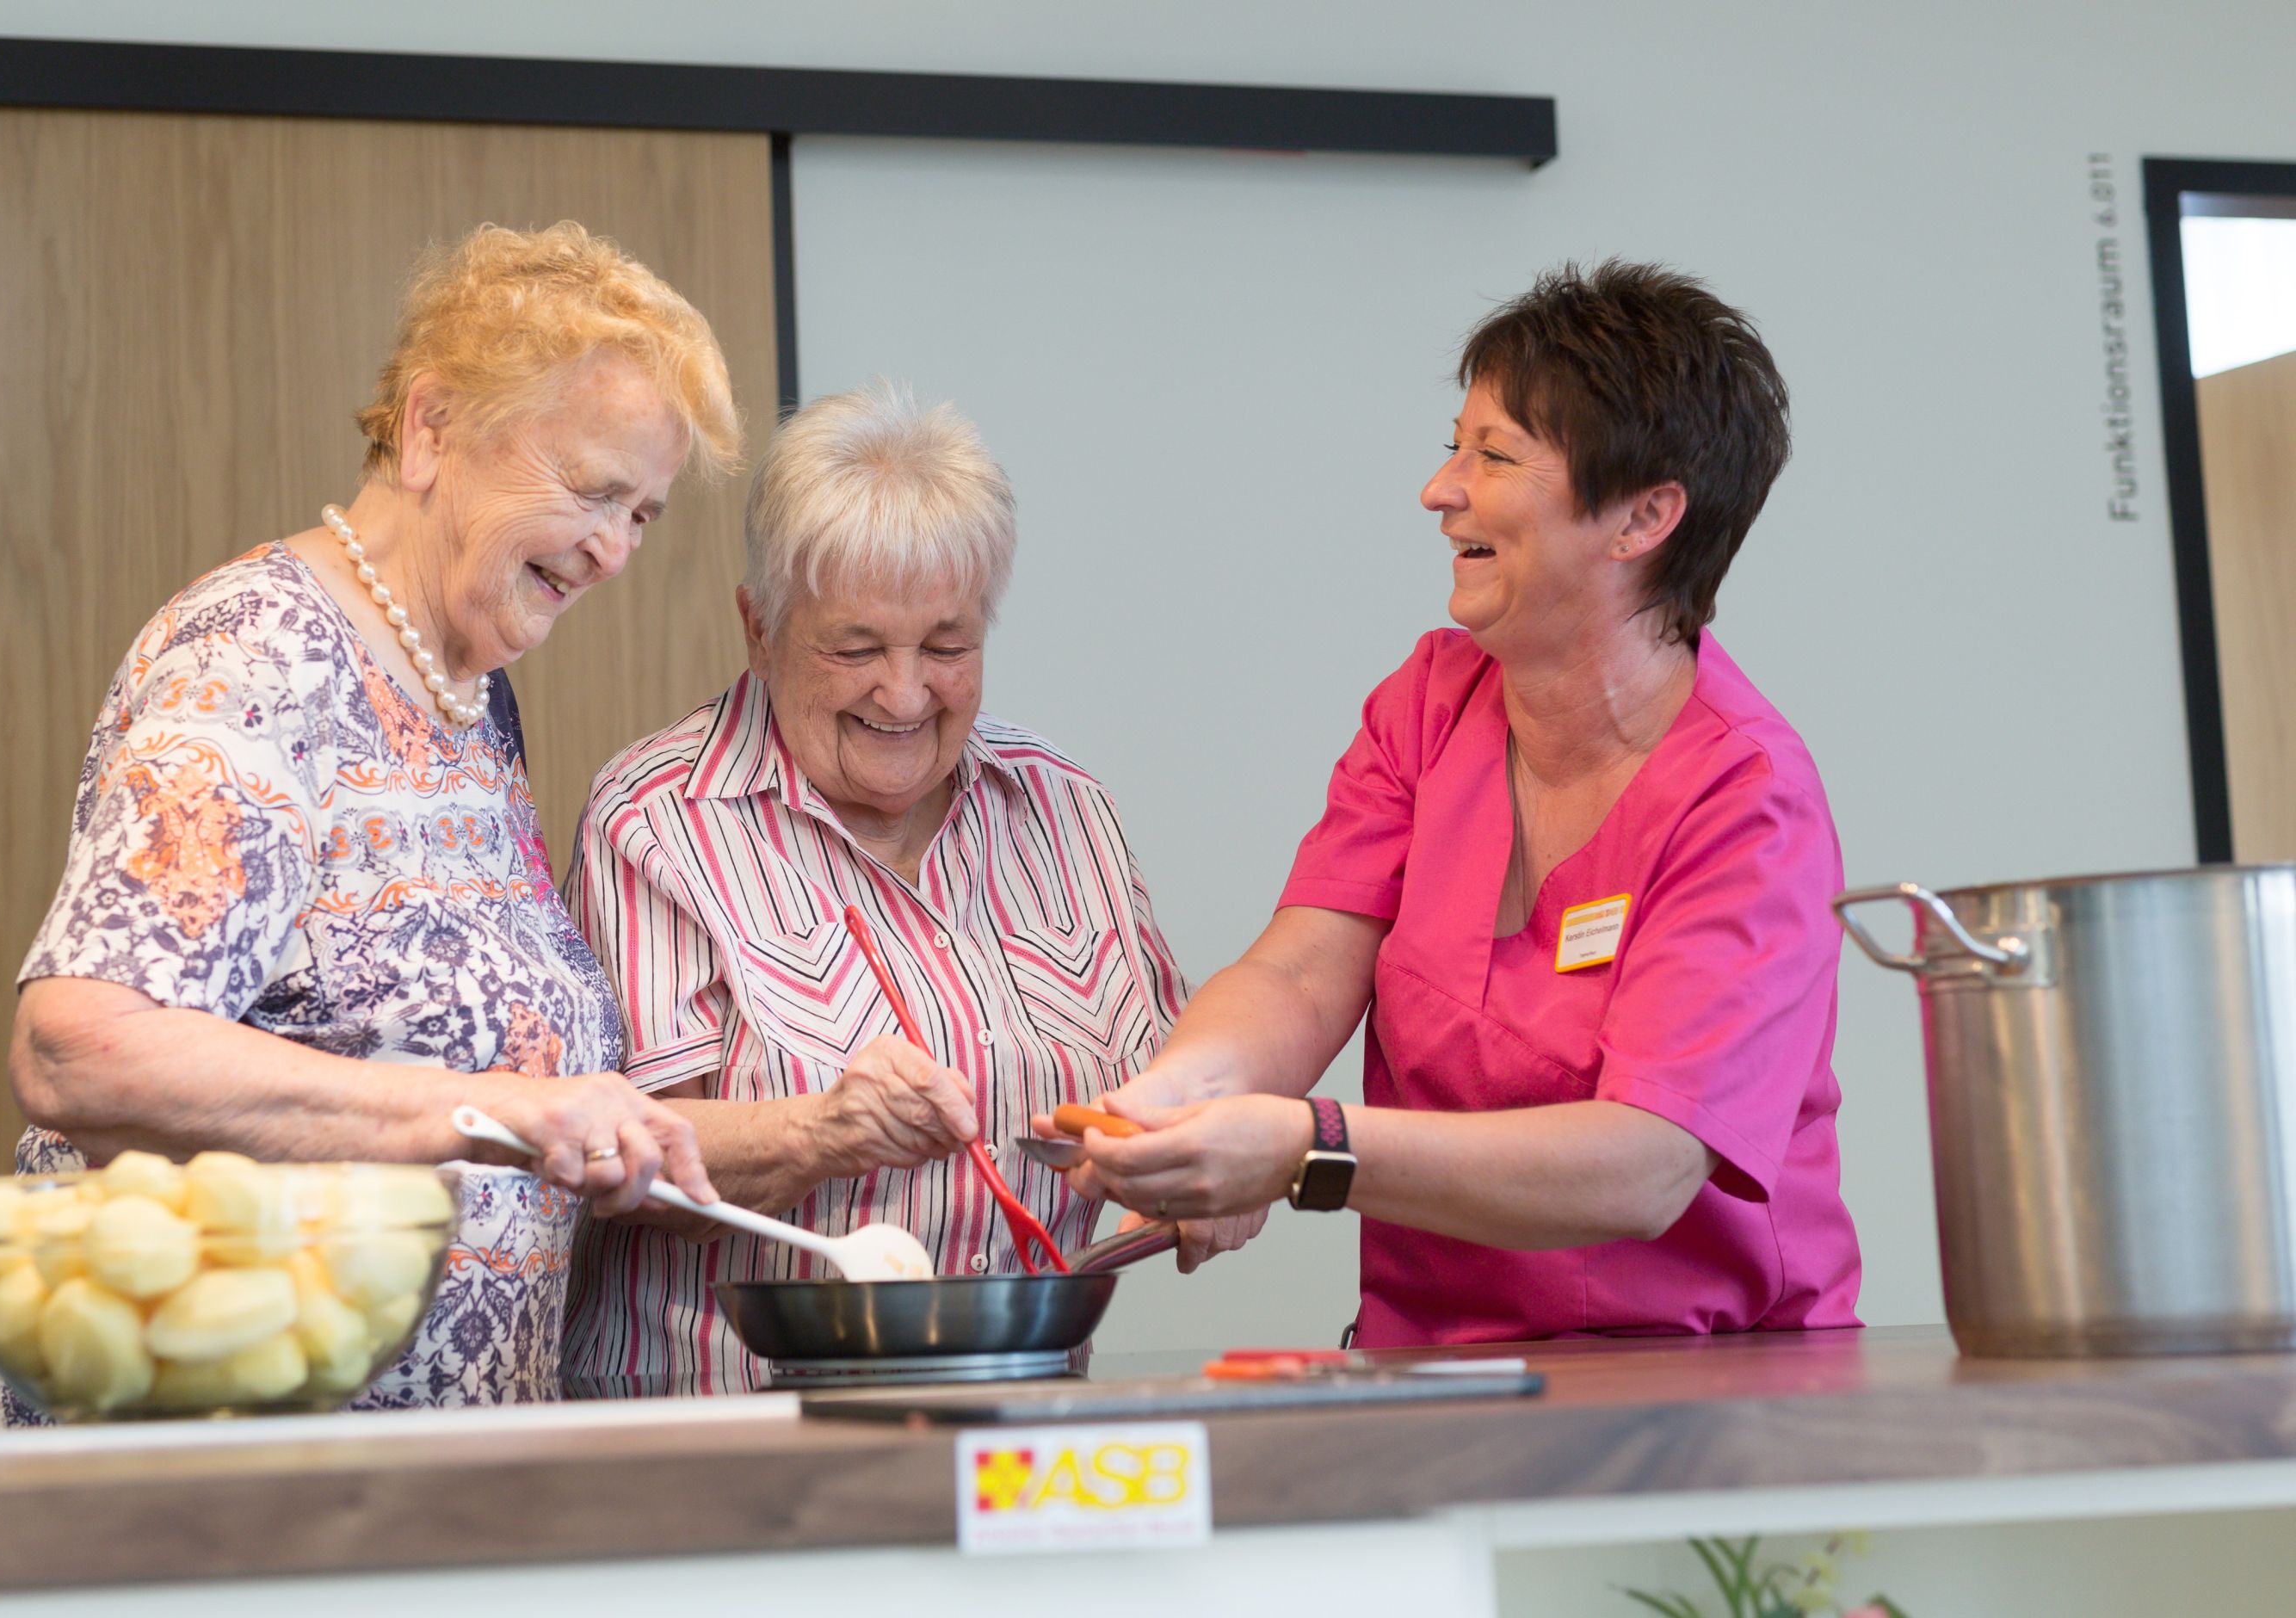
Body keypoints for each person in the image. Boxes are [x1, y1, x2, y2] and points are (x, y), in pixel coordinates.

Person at [0, 222, 737, 1424]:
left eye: (644, 515)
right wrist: (509, 1110)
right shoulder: (260, 659)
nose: (615, 552)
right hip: (219, 1461)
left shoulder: (466, 693)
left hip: (411, 1484)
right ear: (432, 429)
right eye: (592, 490)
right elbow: (82, 1048)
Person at [1068, 262, 1863, 1346]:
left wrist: (1307, 1147)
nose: (1441, 489)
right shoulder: (1430, 705)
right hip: (1437, 1364)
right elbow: (1301, 970)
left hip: (1702, 1385)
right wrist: (1178, 1097)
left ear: (1642, 517)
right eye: (1456, 445)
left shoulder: (1745, 797)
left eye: (1492, 455)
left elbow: (1645, 1163)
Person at [565, 380, 1188, 1391]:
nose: (904, 693)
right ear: (757, 628)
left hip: (1013, 1412)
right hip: (729, 1436)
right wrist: (820, 1131)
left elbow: (1167, 1085)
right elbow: (623, 1165)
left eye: (947, 646)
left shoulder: (1063, 807)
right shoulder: (656, 819)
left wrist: (1210, 1155)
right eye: (854, 648)